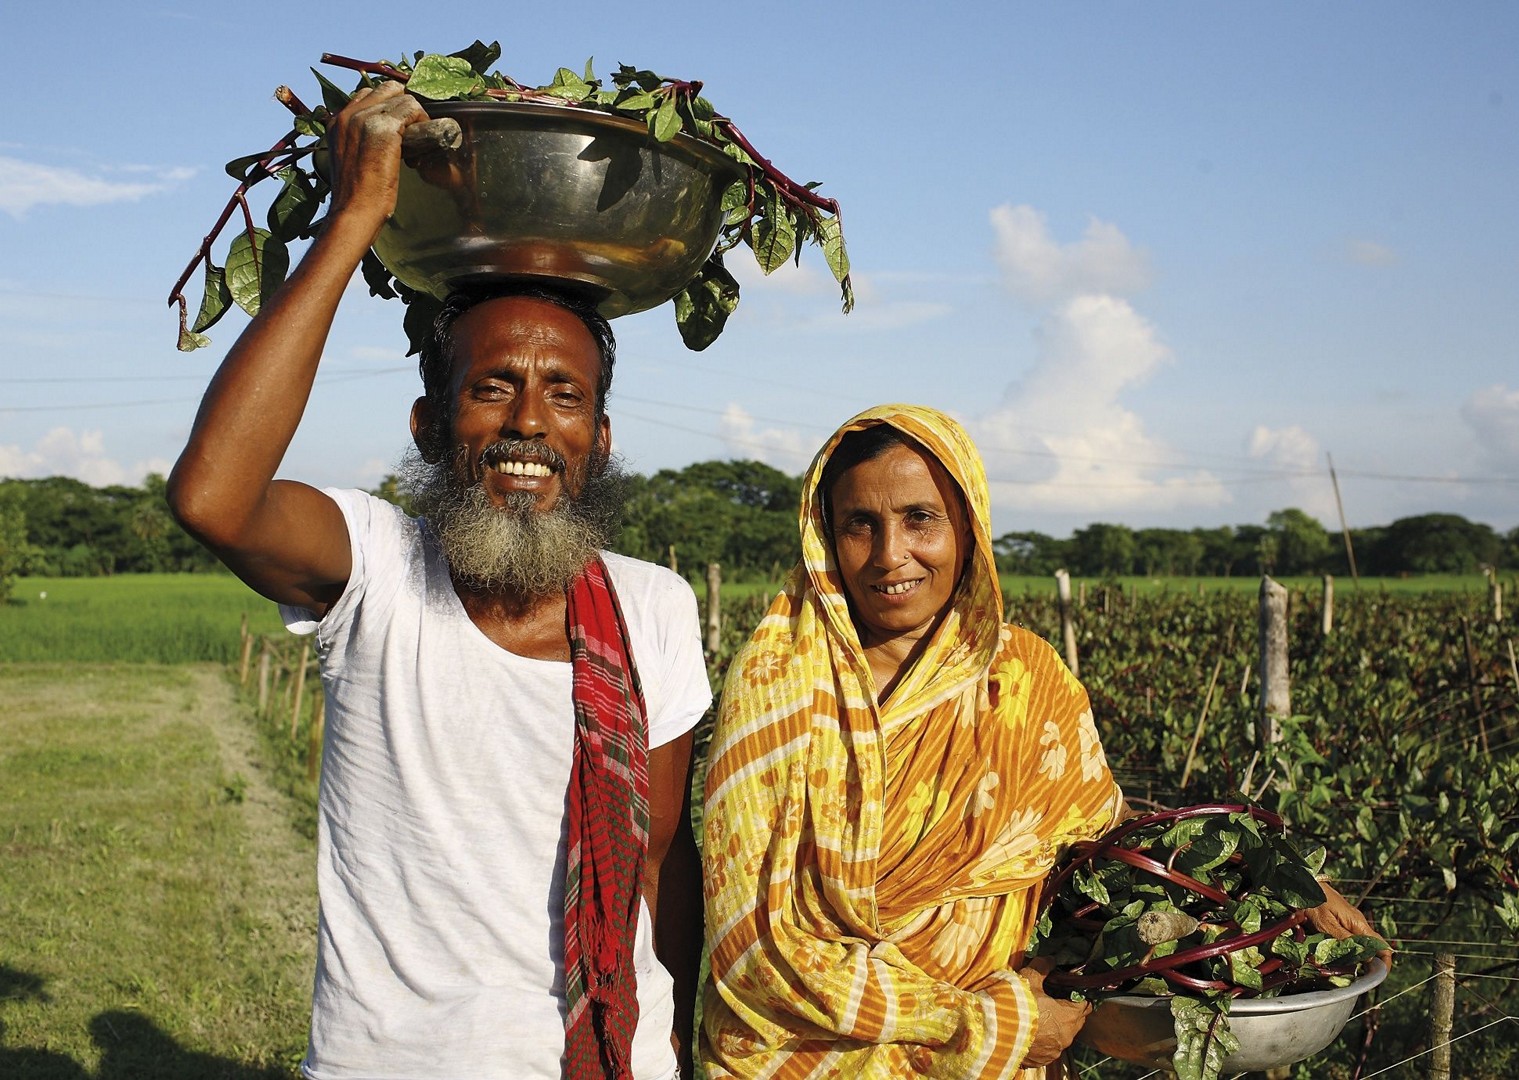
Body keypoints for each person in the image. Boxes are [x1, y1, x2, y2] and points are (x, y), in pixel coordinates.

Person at [167, 80, 710, 1080]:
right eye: (491, 386)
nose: (527, 424)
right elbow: (214, 497)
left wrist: (670, 1044)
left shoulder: (653, 608)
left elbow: (658, 858)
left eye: (564, 396)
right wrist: (356, 215)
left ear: (599, 437)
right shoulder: (375, 570)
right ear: (428, 426)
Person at [698, 404, 1384, 1078]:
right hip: (808, 1057)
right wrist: (995, 1026)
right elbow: (754, 947)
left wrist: (1281, 879)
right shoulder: (780, 686)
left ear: (968, 527)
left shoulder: (1024, 676)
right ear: (824, 534)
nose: (888, 554)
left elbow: (1102, 839)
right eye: (859, 524)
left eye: (920, 519)